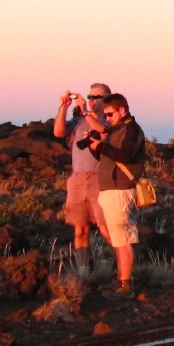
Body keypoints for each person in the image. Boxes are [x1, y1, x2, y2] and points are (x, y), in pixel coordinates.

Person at [54, 83, 112, 278]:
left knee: (105, 228)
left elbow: (104, 131)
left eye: (96, 97)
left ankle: (125, 266)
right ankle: (83, 272)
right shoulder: (78, 120)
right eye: (90, 96)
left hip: (99, 179)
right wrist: (64, 107)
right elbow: (58, 132)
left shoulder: (108, 120)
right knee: (80, 228)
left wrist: (86, 112)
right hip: (78, 179)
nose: (92, 100)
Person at [91, 93, 147, 295]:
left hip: (120, 190)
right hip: (110, 189)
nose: (107, 118)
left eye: (110, 114)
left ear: (121, 110)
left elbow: (124, 155)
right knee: (118, 237)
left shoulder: (132, 130)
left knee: (122, 239)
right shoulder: (117, 130)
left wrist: (102, 146)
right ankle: (121, 281)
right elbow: (106, 157)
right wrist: (96, 147)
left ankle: (125, 284)